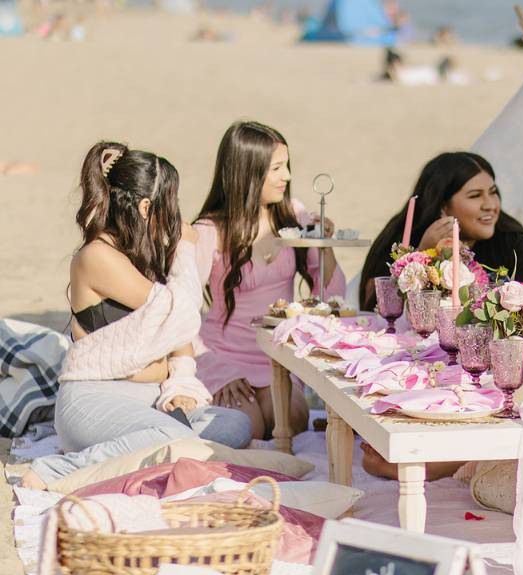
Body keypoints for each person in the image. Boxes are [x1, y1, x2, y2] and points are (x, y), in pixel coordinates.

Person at [21, 143, 251, 489]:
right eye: (169, 205)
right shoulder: (96, 257)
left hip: (150, 400)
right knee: (172, 437)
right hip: (93, 401)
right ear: (146, 207)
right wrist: (186, 249)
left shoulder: (142, 254)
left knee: (235, 425)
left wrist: (181, 386)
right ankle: (56, 471)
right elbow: (182, 314)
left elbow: (180, 342)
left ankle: (162, 449)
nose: (176, 215)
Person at [193, 121, 344, 440]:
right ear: (248, 171)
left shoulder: (294, 215)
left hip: (279, 356)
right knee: (247, 428)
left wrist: (323, 246)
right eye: (277, 168)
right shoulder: (210, 230)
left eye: (286, 166)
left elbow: (332, 296)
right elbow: (182, 311)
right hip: (223, 356)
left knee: (289, 419)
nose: (287, 177)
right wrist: (216, 372)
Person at [359, 151, 523, 311]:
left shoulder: (511, 239)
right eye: (475, 195)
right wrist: (421, 255)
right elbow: (372, 308)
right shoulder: (404, 236)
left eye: (492, 192)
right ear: (443, 205)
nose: (490, 205)